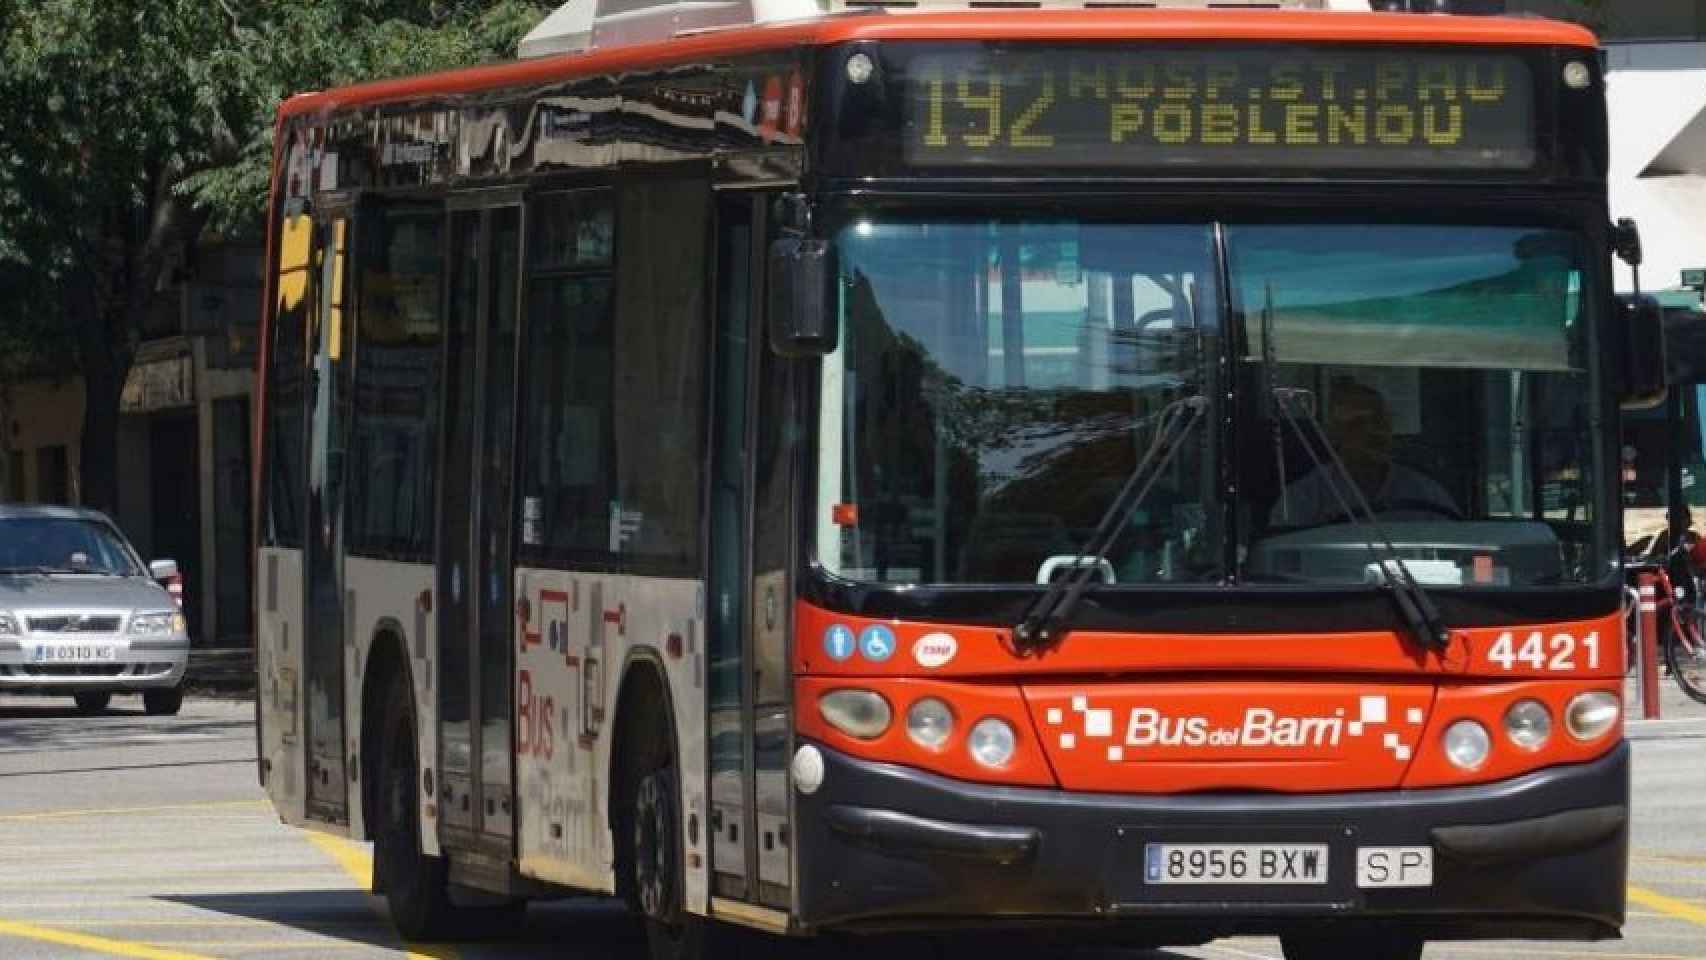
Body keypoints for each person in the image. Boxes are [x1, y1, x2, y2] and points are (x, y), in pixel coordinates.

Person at [1270, 379, 1459, 527]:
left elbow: (1465, 561)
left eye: (1380, 422)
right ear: (1332, 435)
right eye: (1357, 424)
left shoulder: (1427, 496)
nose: (1373, 432)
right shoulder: (1302, 499)